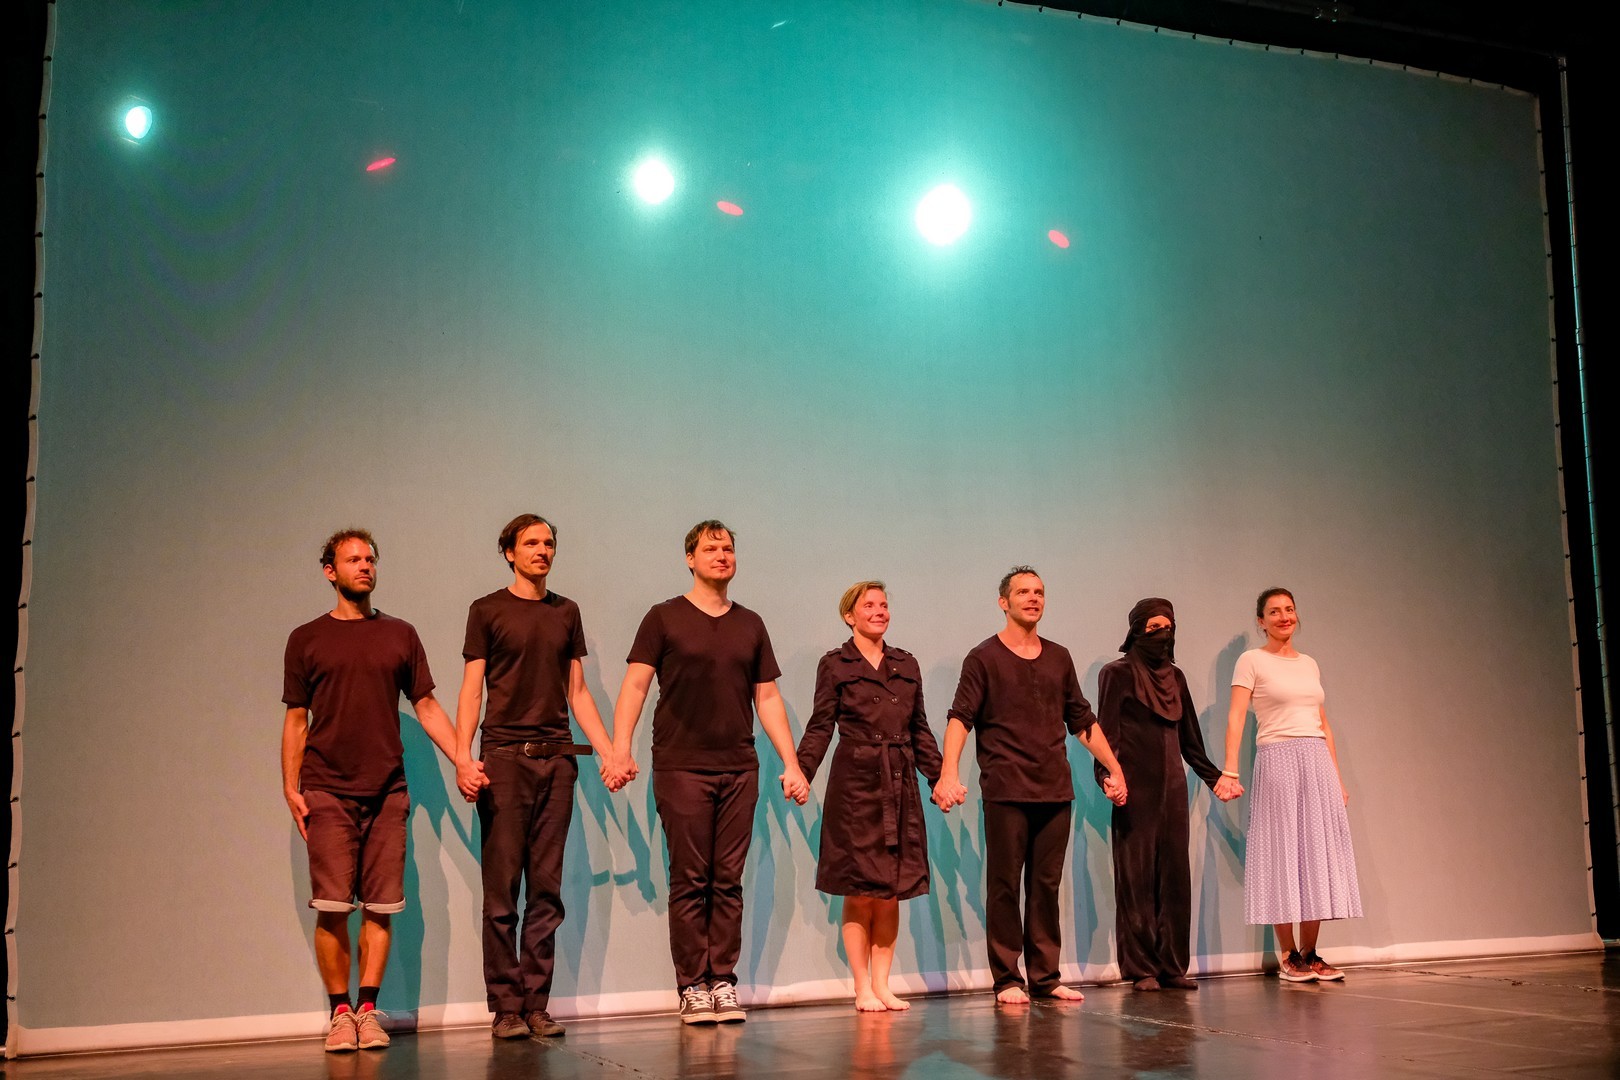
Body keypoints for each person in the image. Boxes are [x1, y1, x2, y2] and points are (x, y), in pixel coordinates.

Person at [281, 529, 475, 1053]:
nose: (365, 566)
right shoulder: (306, 639)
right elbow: (296, 720)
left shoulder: (400, 634)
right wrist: (289, 787)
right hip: (326, 788)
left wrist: (463, 759)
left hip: (388, 790)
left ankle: (367, 1010)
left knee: (381, 907)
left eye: (370, 559)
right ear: (330, 571)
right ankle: (339, 1014)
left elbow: (426, 706)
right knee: (331, 907)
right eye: (353, 559)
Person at [610, 520, 810, 1025]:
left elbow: (767, 698)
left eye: (728, 548)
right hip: (681, 766)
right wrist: (620, 749)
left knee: (727, 880)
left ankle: (722, 981)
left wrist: (791, 764)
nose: (721, 555)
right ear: (690, 559)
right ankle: (692, 987)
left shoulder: (750, 624)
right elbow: (635, 686)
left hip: (739, 768)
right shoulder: (664, 617)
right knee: (690, 878)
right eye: (710, 548)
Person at [454, 514, 631, 1040]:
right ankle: (505, 1006)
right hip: (505, 759)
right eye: (531, 543)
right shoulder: (487, 610)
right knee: (502, 890)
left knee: (547, 891)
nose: (542, 550)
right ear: (509, 552)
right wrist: (463, 757)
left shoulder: (566, 611)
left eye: (549, 542)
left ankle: (536, 1004)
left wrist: (610, 753)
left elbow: (577, 693)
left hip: (557, 761)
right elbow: (471, 690)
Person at [935, 566, 1129, 1005]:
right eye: (1023, 591)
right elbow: (960, 718)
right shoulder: (983, 658)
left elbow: (1081, 720)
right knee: (1004, 885)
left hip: (1054, 790)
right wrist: (949, 772)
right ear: (1003, 602)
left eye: (1039, 591)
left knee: (1045, 886)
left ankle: (1045, 977)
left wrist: (1114, 768)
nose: (1033, 598)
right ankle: (1007, 979)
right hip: (1006, 789)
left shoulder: (1059, 657)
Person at [796, 581, 947, 1012]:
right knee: (859, 888)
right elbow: (821, 725)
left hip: (899, 782)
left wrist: (939, 778)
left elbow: (919, 729)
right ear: (850, 616)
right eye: (869, 605)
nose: (879, 611)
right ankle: (861, 986)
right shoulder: (835, 664)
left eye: (883, 605)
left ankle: (883, 984)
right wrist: (802, 772)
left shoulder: (906, 663)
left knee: (890, 889)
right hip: (856, 786)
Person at [1095, 597, 1240, 992]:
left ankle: (1172, 965)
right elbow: (1106, 734)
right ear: (1136, 631)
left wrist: (1215, 779)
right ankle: (1141, 968)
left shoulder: (1176, 678)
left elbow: (1190, 741)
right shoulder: (1116, 674)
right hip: (1134, 789)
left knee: (1174, 877)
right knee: (1137, 877)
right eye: (1153, 628)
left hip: (1172, 791)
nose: (1162, 635)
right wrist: (1107, 777)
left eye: (1168, 628)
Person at [1222, 587, 1362, 982]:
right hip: (1278, 757)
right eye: (1274, 611)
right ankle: (1288, 954)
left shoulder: (1309, 664)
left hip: (1316, 760)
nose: (1284, 617)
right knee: (1282, 852)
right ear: (1261, 621)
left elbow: (1323, 724)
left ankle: (1311, 952)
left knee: (1315, 853)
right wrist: (1230, 770)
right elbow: (1236, 717)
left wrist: (1336, 779)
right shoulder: (1251, 661)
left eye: (1289, 609)